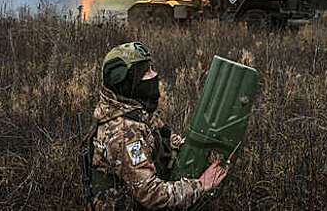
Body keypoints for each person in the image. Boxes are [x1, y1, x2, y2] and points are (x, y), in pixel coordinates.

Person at [86, 42, 227, 210]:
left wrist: (189, 149)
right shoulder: (123, 133)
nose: (155, 75)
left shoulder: (136, 110)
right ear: (128, 82)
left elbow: (165, 136)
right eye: (146, 72)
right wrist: (200, 185)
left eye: (152, 68)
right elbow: (152, 194)